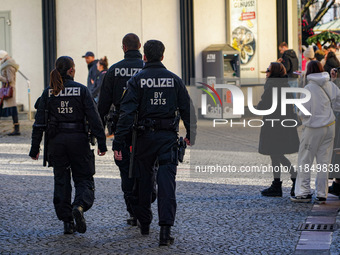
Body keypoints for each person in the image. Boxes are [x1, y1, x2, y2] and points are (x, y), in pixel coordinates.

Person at [113, 40, 197, 246]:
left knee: (143, 181)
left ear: (144, 57)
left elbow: (126, 114)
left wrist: (118, 141)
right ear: (162, 56)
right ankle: (165, 231)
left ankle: (144, 223)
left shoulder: (137, 80)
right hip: (167, 138)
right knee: (167, 183)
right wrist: (191, 134)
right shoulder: (174, 80)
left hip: (143, 138)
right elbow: (188, 109)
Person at [29, 56, 107, 234]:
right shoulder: (81, 90)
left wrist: (35, 148)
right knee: (84, 178)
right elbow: (94, 119)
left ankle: (67, 222)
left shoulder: (49, 92)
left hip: (56, 142)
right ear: (71, 70)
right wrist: (101, 143)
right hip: (78, 140)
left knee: (61, 181)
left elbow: (39, 123)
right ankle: (79, 206)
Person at [97, 33, 144, 226]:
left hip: (121, 127)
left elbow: (103, 104)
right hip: (146, 127)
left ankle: (133, 211)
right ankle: (146, 200)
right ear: (139, 46)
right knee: (148, 165)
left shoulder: (114, 71)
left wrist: (97, 129)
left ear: (123, 47)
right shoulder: (147, 69)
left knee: (125, 169)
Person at [291, 61, 340, 204]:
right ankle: (321, 194)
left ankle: (303, 193)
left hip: (312, 129)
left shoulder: (308, 88)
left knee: (305, 160)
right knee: (324, 162)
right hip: (330, 126)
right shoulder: (330, 85)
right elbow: (338, 104)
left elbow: (303, 111)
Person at [258, 62, 299, 197]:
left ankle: (293, 178)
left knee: (275, 153)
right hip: (283, 125)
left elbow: (264, 106)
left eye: (268, 70)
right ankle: (278, 184)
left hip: (274, 125)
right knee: (276, 154)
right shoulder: (285, 85)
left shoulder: (271, 86)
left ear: (273, 72)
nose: (266, 72)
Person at [0, 50, 20, 135]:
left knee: (12, 109)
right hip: (8, 89)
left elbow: (10, 80)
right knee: (12, 109)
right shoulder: (8, 64)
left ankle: (17, 129)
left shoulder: (8, 65)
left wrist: (0, 78)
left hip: (9, 90)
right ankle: (16, 128)